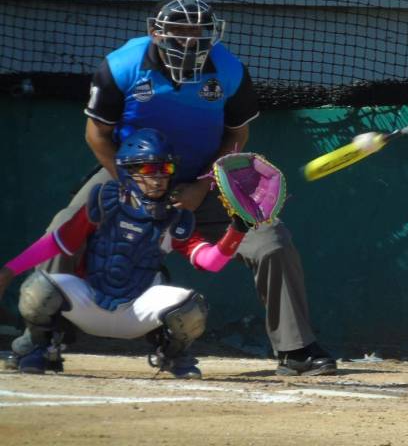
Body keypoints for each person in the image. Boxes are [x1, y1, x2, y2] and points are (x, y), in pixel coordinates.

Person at [36, 0, 336, 376]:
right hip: (129, 175)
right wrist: (129, 185)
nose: (190, 39)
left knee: (272, 240)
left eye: (199, 31)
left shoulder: (228, 70)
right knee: (64, 227)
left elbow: (236, 137)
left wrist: (203, 186)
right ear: (156, 33)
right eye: (179, 29)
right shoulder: (123, 65)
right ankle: (42, 338)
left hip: (202, 178)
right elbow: (97, 135)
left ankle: (296, 351)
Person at [0, 129, 249, 378]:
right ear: (127, 171)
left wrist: (236, 231)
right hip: (89, 302)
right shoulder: (102, 205)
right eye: (149, 170)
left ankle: (172, 354)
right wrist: (10, 270)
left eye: (166, 170)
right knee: (39, 287)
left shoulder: (174, 219)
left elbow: (210, 262)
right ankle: (38, 346)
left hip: (136, 312)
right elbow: (56, 244)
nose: (159, 178)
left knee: (191, 306)